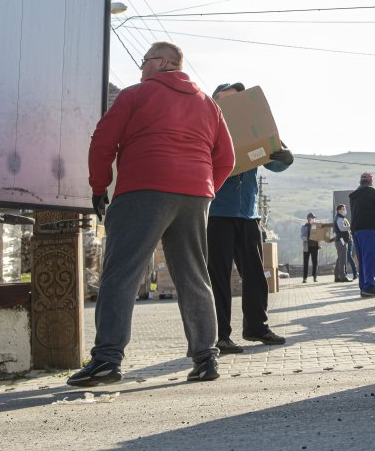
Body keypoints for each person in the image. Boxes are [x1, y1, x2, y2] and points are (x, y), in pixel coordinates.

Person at [69, 41, 233, 386]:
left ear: (162, 62)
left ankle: (106, 360)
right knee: (194, 276)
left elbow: (102, 141)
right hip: (194, 194)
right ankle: (206, 359)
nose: (140, 68)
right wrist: (204, 190)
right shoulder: (208, 104)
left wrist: (100, 187)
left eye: (144, 61)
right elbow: (227, 158)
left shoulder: (135, 96)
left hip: (144, 188)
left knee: (121, 274)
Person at [206, 82, 294, 354]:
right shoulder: (207, 127)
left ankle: (256, 327)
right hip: (217, 213)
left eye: (240, 99)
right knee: (218, 277)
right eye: (229, 100)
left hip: (248, 214)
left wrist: (285, 157)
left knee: (255, 275)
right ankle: (220, 335)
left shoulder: (252, 126)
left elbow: (273, 159)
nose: (237, 105)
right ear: (217, 102)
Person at [348, 172, 375, 298]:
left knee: (362, 260)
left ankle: (364, 287)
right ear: (371, 181)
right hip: (368, 229)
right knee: (371, 259)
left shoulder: (354, 195)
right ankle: (370, 287)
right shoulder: (371, 191)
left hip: (356, 230)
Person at [332, 205, 356, 282]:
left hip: (340, 241)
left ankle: (337, 277)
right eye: (343, 209)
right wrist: (351, 227)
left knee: (339, 259)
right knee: (342, 259)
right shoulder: (339, 219)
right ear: (339, 211)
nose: (345, 210)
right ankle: (343, 277)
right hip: (341, 241)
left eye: (344, 208)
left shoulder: (340, 218)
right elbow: (342, 228)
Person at [300, 213, 320, 283]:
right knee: (306, 262)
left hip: (315, 247)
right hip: (307, 247)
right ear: (308, 218)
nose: (314, 219)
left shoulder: (316, 226)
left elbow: (319, 234)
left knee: (315, 262)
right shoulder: (304, 226)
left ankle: (315, 277)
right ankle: (305, 278)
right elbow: (302, 236)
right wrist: (308, 238)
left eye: (314, 218)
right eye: (312, 218)